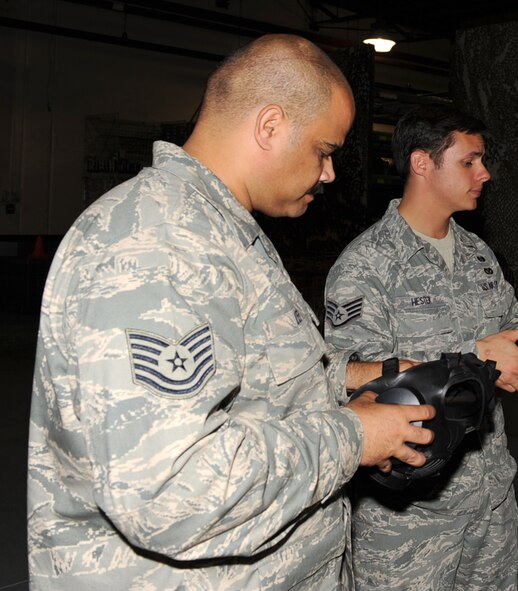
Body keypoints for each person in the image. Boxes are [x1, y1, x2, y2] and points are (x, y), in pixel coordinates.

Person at [27, 34, 436, 590]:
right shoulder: (158, 245)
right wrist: (352, 437)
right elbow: (171, 493)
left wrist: (370, 383)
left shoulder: (217, 230)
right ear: (270, 126)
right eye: (324, 151)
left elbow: (259, 383)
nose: (329, 174)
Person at [323, 104, 518, 590]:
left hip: (488, 499)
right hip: (410, 517)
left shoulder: (478, 254)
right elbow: (349, 383)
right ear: (422, 163)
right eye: (469, 161)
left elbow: (510, 339)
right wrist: (473, 356)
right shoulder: (366, 265)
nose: (485, 173)